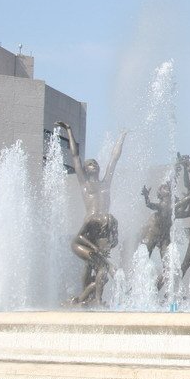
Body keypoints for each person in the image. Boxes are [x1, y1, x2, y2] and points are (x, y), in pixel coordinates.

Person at [57, 121, 126, 304]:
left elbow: (114, 159)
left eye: (94, 163)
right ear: (85, 171)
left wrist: (122, 137)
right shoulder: (85, 185)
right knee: (97, 265)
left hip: (103, 229)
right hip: (89, 229)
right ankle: (87, 299)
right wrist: (70, 130)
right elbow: (75, 157)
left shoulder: (105, 184)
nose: (92, 164)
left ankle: (90, 300)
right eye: (89, 164)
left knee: (98, 269)